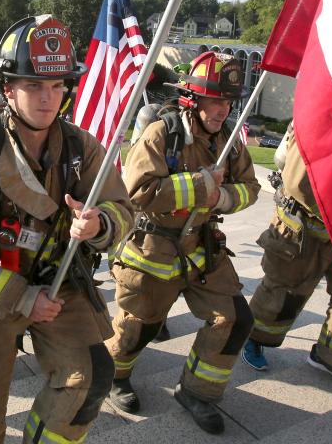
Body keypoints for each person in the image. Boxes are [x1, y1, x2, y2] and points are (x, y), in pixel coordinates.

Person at [0, 15, 134, 443]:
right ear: (8, 89)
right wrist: (22, 298)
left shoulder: (82, 148)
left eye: (58, 86)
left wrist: (100, 223)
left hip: (57, 282)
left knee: (93, 379)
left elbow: (122, 208)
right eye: (35, 86)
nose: (49, 98)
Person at [104, 52, 259, 435]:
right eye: (214, 100)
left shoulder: (229, 143)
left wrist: (221, 198)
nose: (222, 110)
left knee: (236, 320)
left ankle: (196, 392)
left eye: (227, 101)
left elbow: (251, 189)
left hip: (202, 250)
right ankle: (114, 376)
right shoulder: (161, 134)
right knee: (139, 327)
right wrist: (201, 186)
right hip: (152, 251)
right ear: (192, 97)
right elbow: (136, 191)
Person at [241, 124, 332, 386]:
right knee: (285, 292)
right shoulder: (318, 116)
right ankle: (254, 340)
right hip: (303, 224)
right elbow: (297, 180)